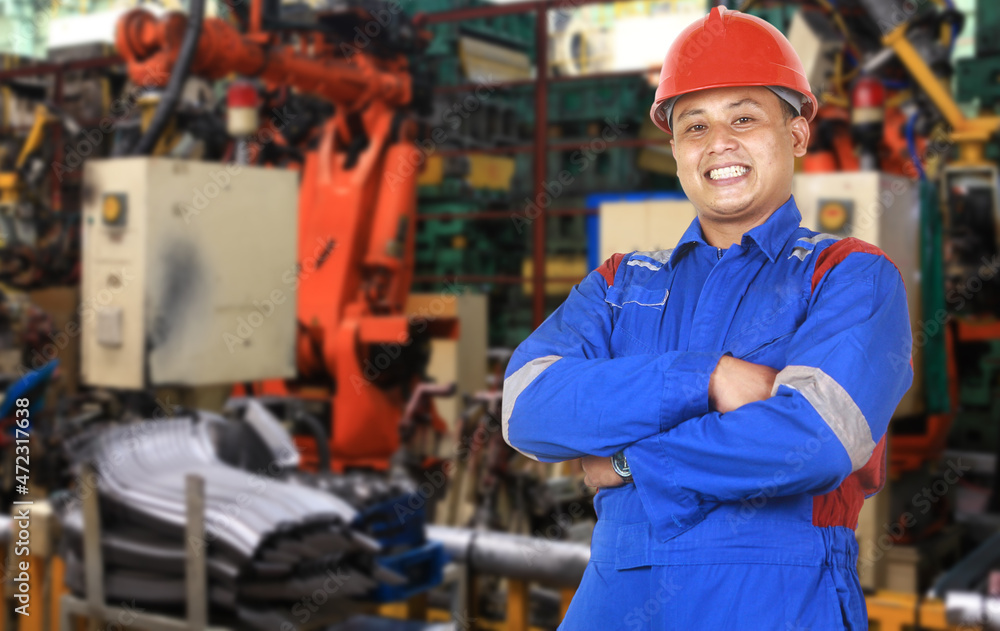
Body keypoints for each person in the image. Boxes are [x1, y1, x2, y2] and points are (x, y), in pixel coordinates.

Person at [502, 6, 913, 630]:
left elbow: (816, 440)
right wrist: (707, 377)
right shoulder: (620, 283)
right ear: (674, 149)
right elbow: (526, 407)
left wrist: (628, 463)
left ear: (797, 133)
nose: (719, 142)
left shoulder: (849, 275)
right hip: (614, 603)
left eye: (744, 118)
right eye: (694, 126)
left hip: (776, 602)